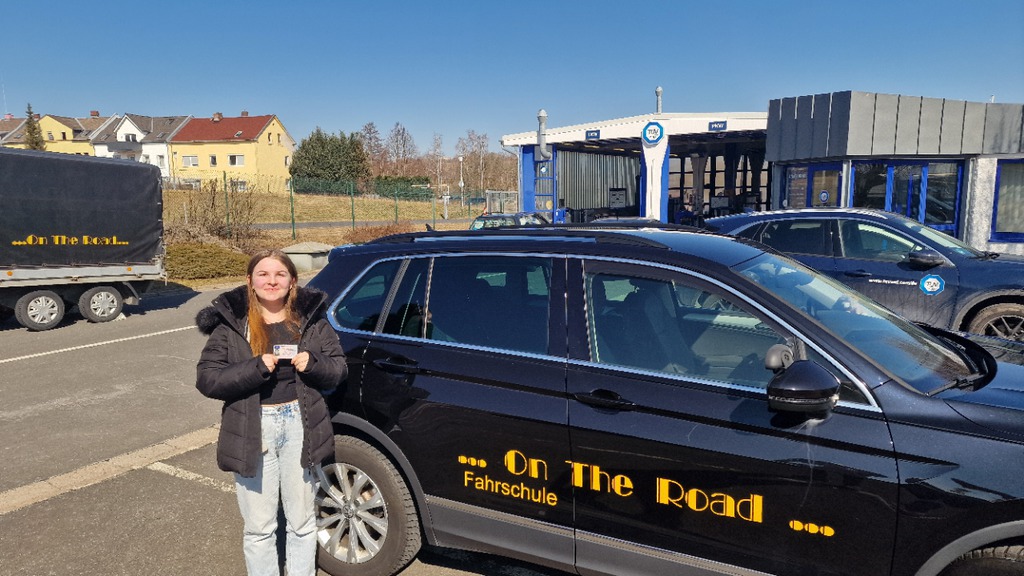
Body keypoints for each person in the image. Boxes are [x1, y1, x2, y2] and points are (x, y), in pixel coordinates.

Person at [195, 249, 347, 576]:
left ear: (293, 281)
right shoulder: (231, 325)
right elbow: (207, 379)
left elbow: (338, 370)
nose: (272, 281)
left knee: (302, 522)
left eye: (280, 274)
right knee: (259, 527)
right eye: (263, 274)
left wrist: (314, 363)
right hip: (254, 427)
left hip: (300, 424)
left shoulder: (312, 321)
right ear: (250, 281)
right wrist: (255, 368)